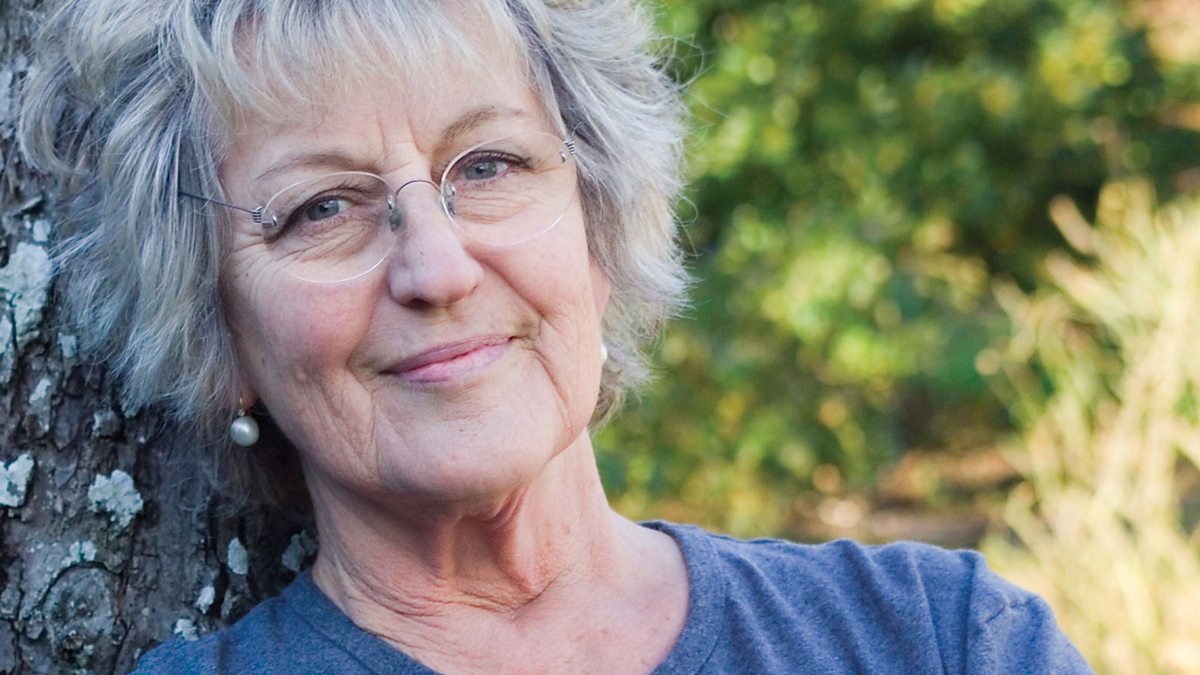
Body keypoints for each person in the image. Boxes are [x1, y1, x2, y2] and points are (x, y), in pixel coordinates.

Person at [19, 0, 1091, 672]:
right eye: (321, 209)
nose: (437, 268)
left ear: (600, 232)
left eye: (489, 165)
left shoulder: (939, 639)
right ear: (218, 334)